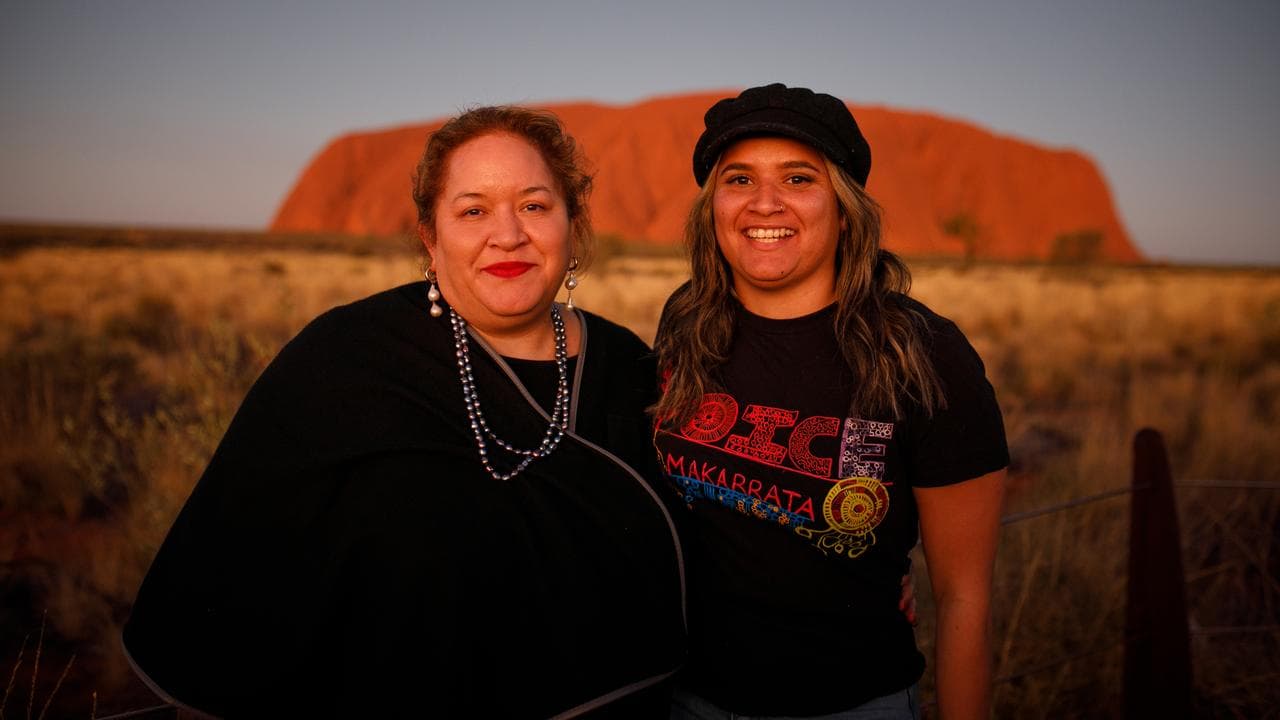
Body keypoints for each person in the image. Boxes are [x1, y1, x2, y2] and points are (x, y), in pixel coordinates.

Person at [122, 106, 687, 718]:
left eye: (534, 205)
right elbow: (229, 575)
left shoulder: (628, 367)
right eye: (473, 211)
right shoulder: (347, 360)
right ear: (430, 235)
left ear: (571, 223)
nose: (508, 235)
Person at [651, 84, 1009, 720]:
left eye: (797, 177)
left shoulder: (922, 354)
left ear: (844, 210)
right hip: (688, 699)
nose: (765, 202)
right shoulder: (687, 326)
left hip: (851, 704)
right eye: (739, 178)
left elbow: (964, 598)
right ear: (713, 207)